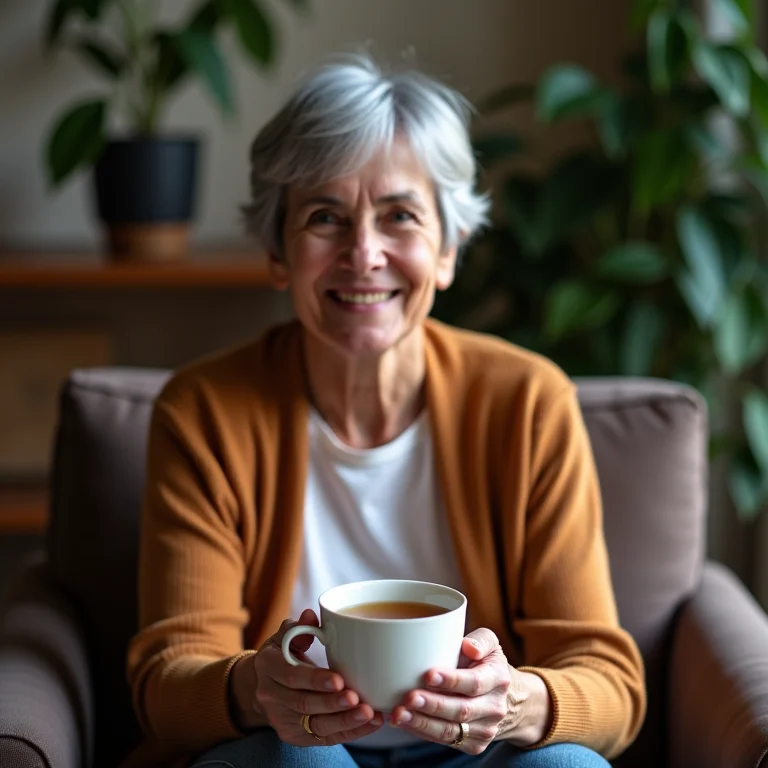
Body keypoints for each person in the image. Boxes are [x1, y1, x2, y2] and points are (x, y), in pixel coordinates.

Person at [124, 53, 646, 768]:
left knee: (568, 765)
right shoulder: (203, 413)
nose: (363, 253)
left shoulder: (529, 403)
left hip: (476, 754)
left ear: (447, 250)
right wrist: (254, 688)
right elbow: (166, 678)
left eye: (399, 215)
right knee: (298, 758)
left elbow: (610, 684)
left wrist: (518, 701)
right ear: (278, 254)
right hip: (286, 750)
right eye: (324, 218)